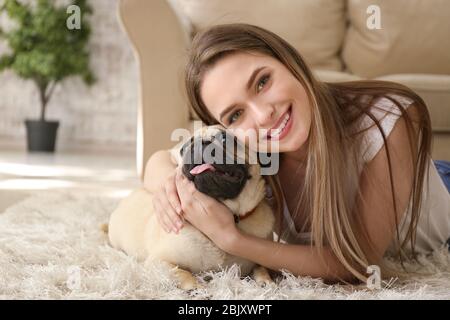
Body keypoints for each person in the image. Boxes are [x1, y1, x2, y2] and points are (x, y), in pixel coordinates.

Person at [144, 23, 450, 283]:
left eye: (262, 82)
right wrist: (167, 185)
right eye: (235, 115)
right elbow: (158, 161)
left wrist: (233, 240)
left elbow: (358, 264)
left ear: (290, 62)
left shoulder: (387, 118)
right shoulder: (247, 153)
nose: (263, 115)